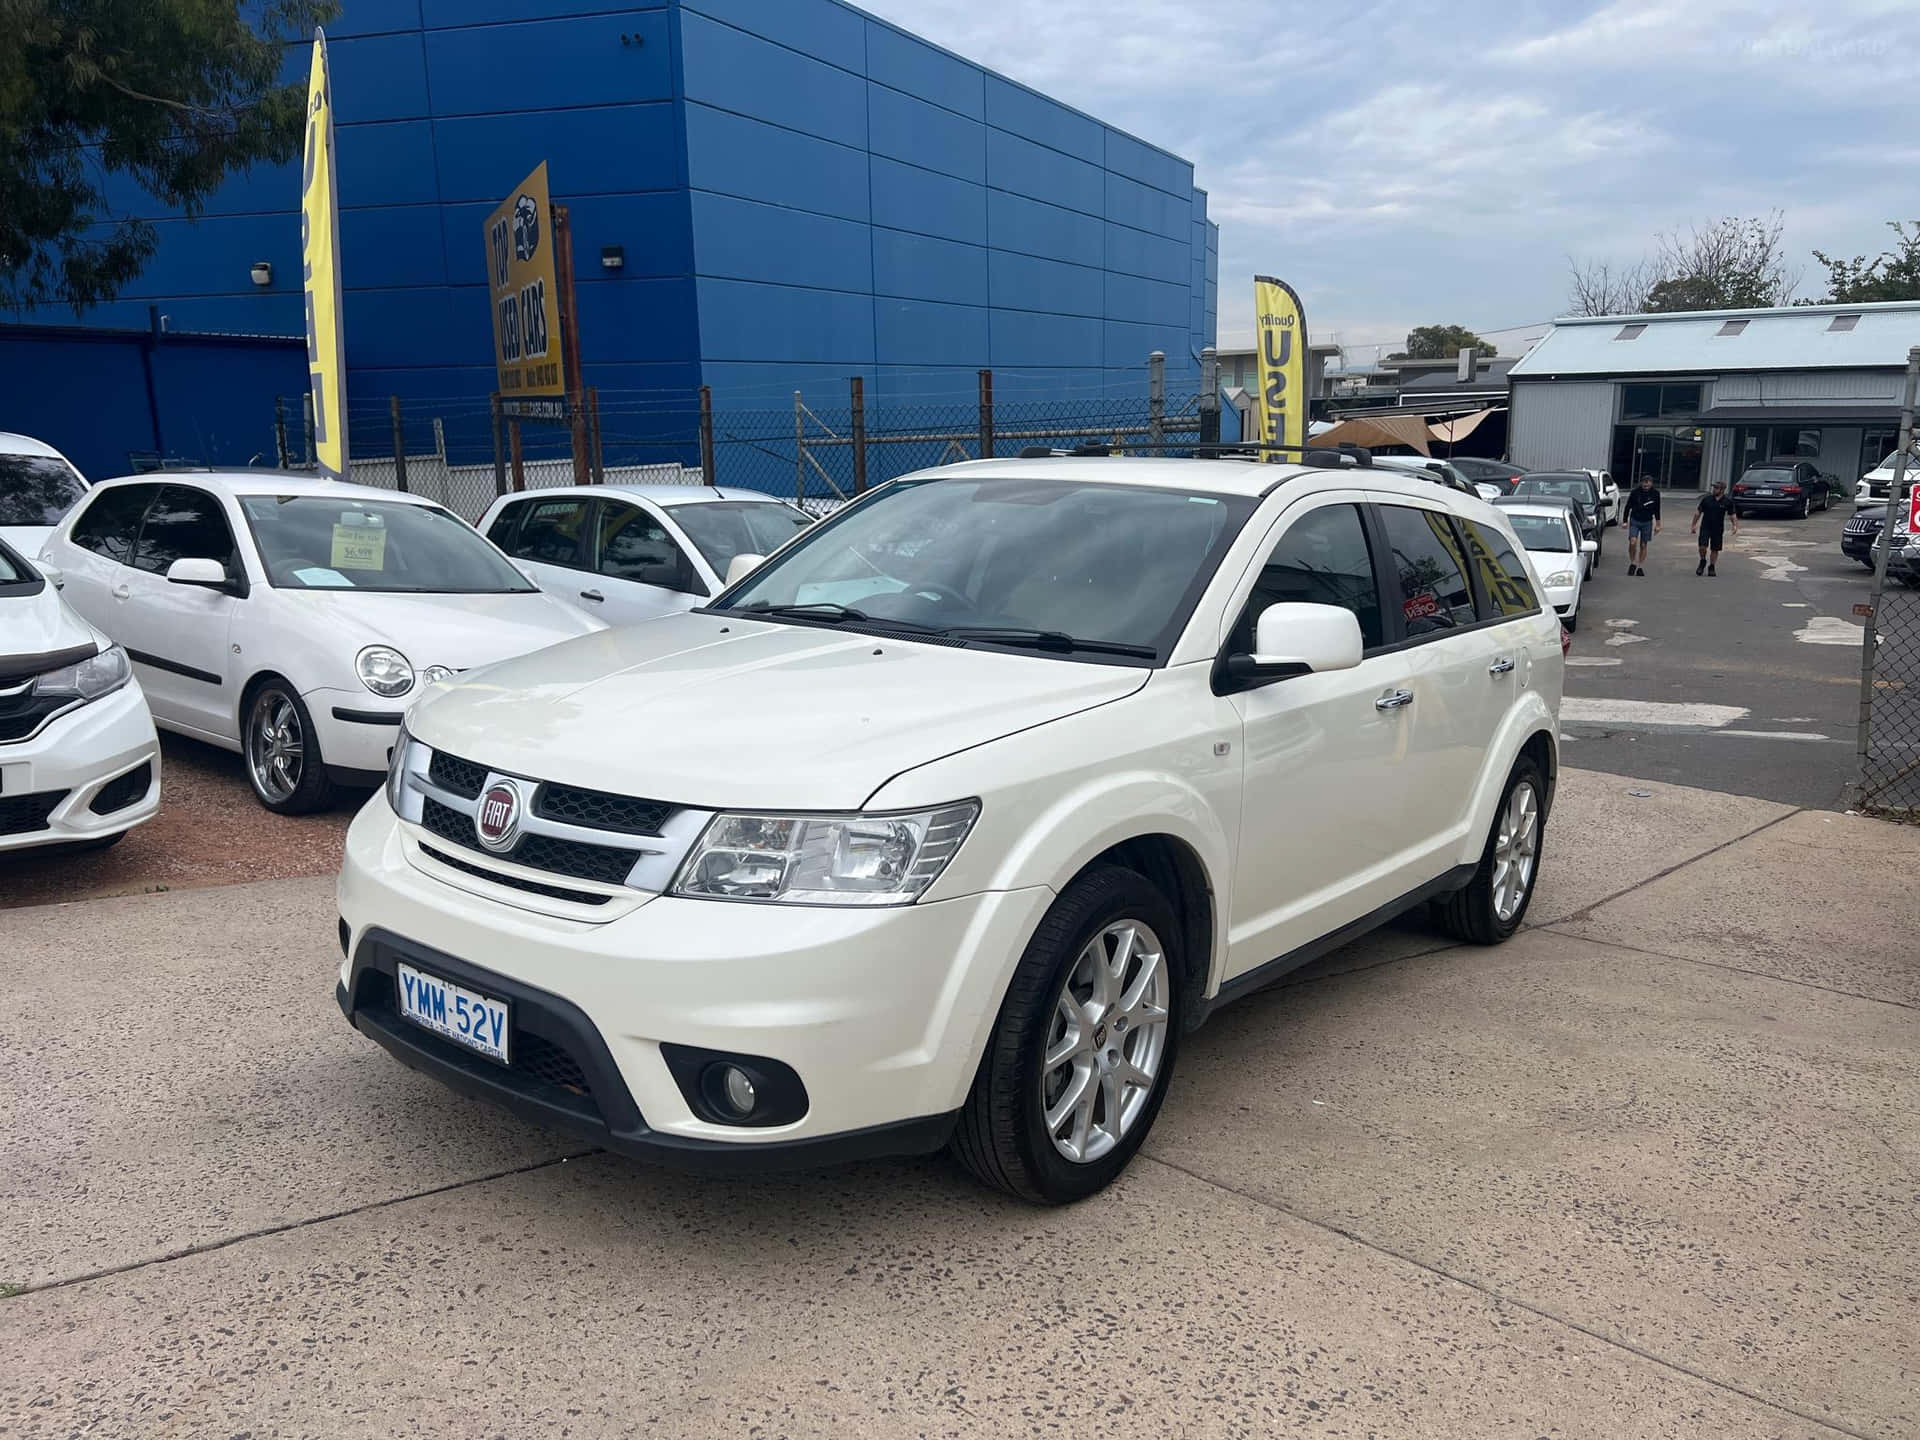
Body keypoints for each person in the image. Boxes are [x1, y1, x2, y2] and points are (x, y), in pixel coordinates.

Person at [1691, 479, 1739, 575]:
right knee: (1702, 547)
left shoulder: (1727, 501)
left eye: (1716, 488)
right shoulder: (1706, 499)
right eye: (1714, 488)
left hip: (1718, 528)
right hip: (1705, 526)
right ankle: (1702, 561)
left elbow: (1732, 515)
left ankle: (1712, 566)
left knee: (1715, 549)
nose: (1714, 490)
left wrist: (1735, 526)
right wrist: (1693, 525)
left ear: (1722, 490)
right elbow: (1698, 513)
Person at [1622, 473, 1661, 575]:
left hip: (1647, 521)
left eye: (1648, 485)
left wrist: (1658, 524)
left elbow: (1657, 509)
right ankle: (1633, 563)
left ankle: (1640, 566)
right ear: (1641, 483)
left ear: (1651, 484)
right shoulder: (1635, 492)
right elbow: (1627, 507)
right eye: (1644, 485)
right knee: (1633, 542)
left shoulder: (1655, 494)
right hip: (1635, 520)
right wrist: (1625, 521)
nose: (1646, 487)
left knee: (1643, 545)